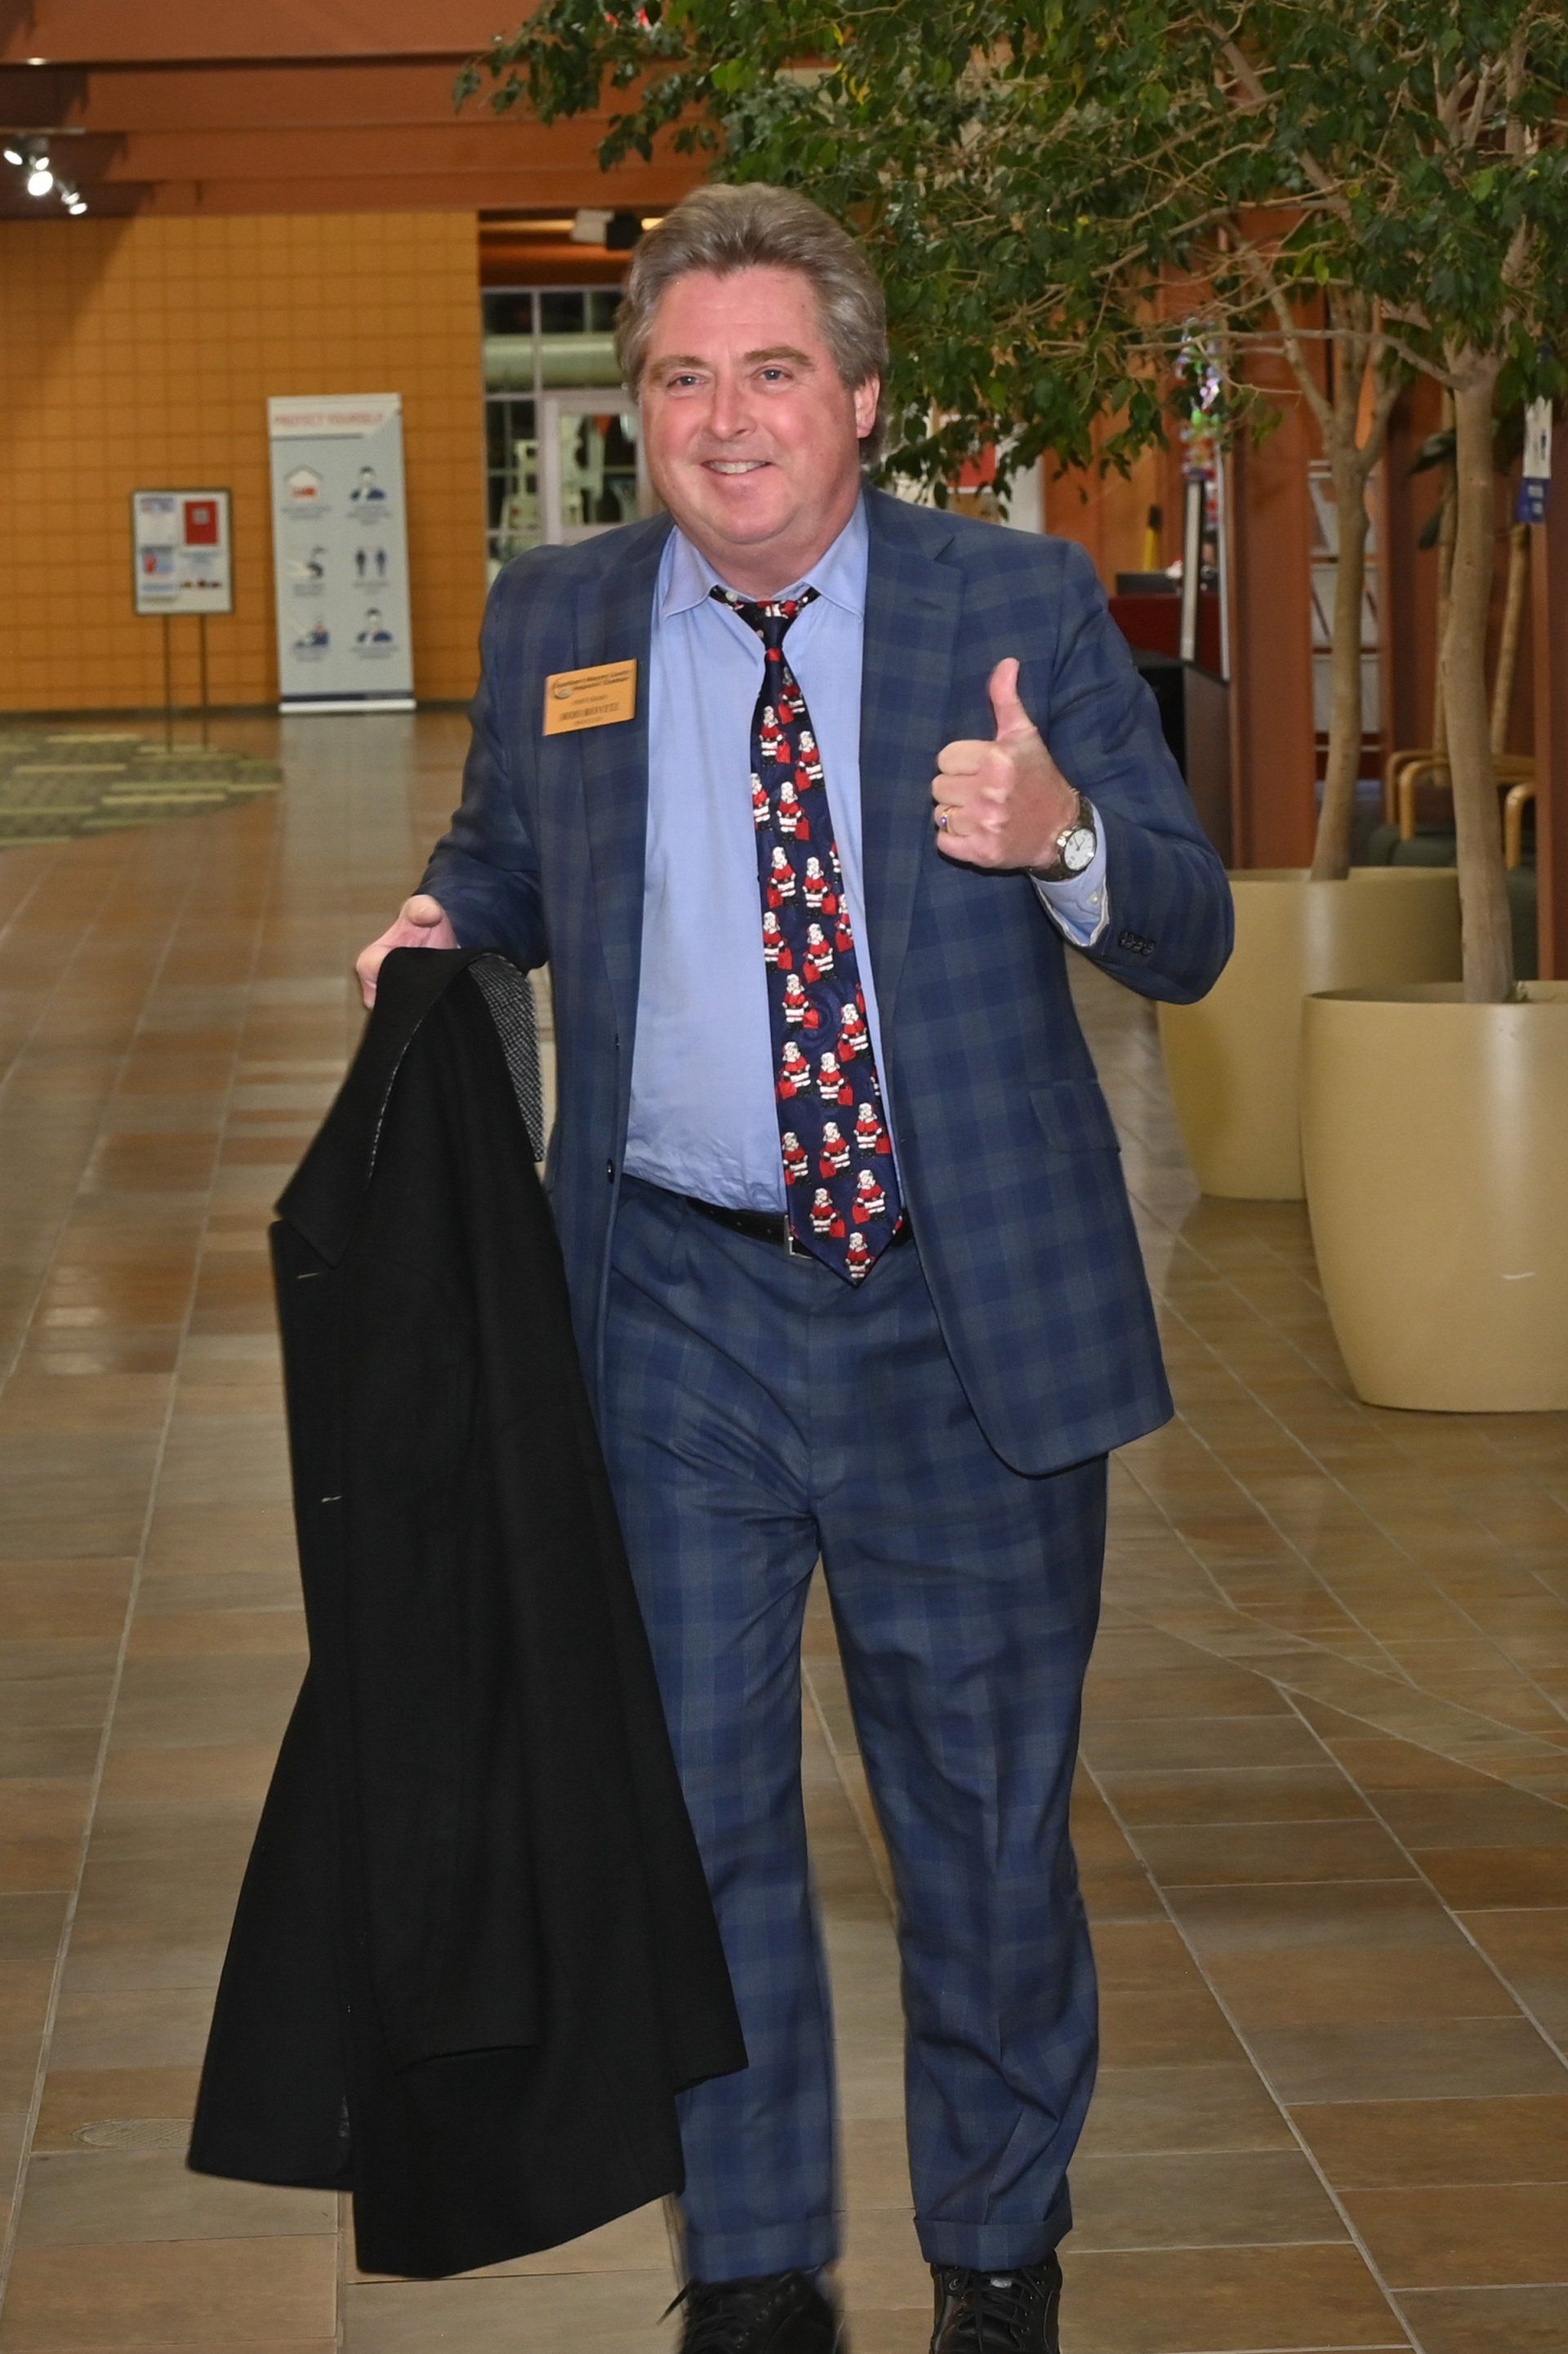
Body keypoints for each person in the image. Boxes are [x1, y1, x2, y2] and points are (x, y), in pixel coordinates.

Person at [357, 183, 1232, 2354]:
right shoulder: (555, 614)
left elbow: (1194, 929)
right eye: (680, 376)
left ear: (858, 401)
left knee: (986, 1838)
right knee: (696, 1815)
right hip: (671, 1317)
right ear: (632, 410)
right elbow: (505, 861)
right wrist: (442, 928)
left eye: (770, 375)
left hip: (962, 1325)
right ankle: (750, 2272)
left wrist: (1067, 842)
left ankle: (999, 2249)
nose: (725, 419)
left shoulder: (1010, 601)